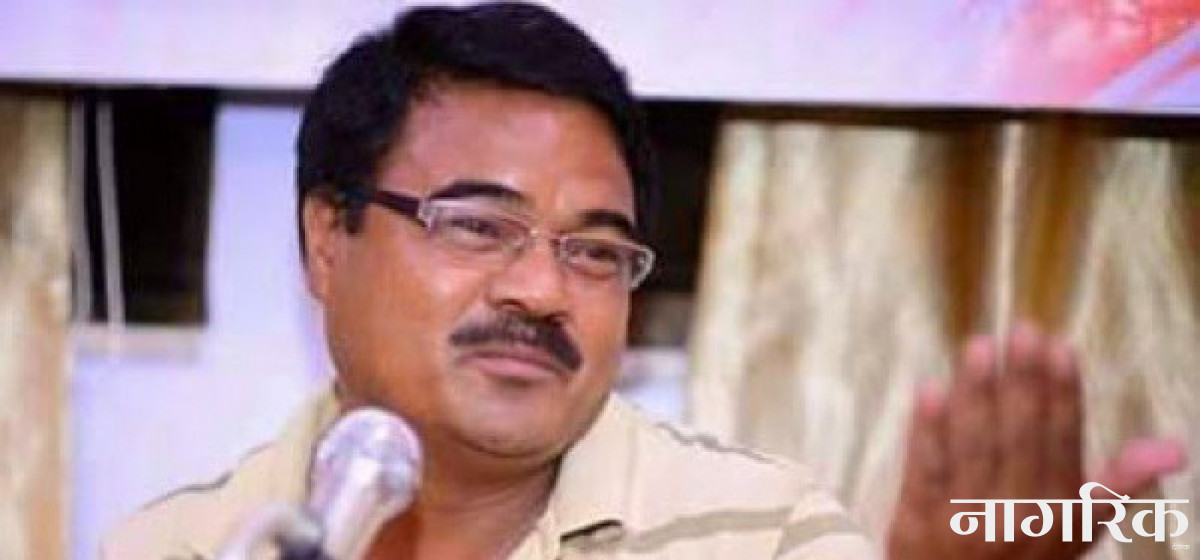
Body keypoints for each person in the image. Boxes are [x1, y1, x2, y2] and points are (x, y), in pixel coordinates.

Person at [102, 3, 1186, 559]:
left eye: (595, 249)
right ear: (327, 239)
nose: (541, 289)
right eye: (478, 224)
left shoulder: (762, 532)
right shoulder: (176, 544)